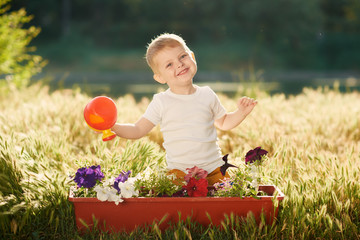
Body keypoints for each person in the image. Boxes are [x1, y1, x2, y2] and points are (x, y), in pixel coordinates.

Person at [111, 33, 257, 186]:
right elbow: (138, 129)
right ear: (160, 77)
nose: (179, 64)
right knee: (173, 194)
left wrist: (241, 113)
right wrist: (113, 126)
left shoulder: (207, 94)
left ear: (192, 57)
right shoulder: (162, 101)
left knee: (233, 191)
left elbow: (224, 122)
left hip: (214, 168)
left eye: (182, 56)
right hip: (180, 172)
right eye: (169, 65)